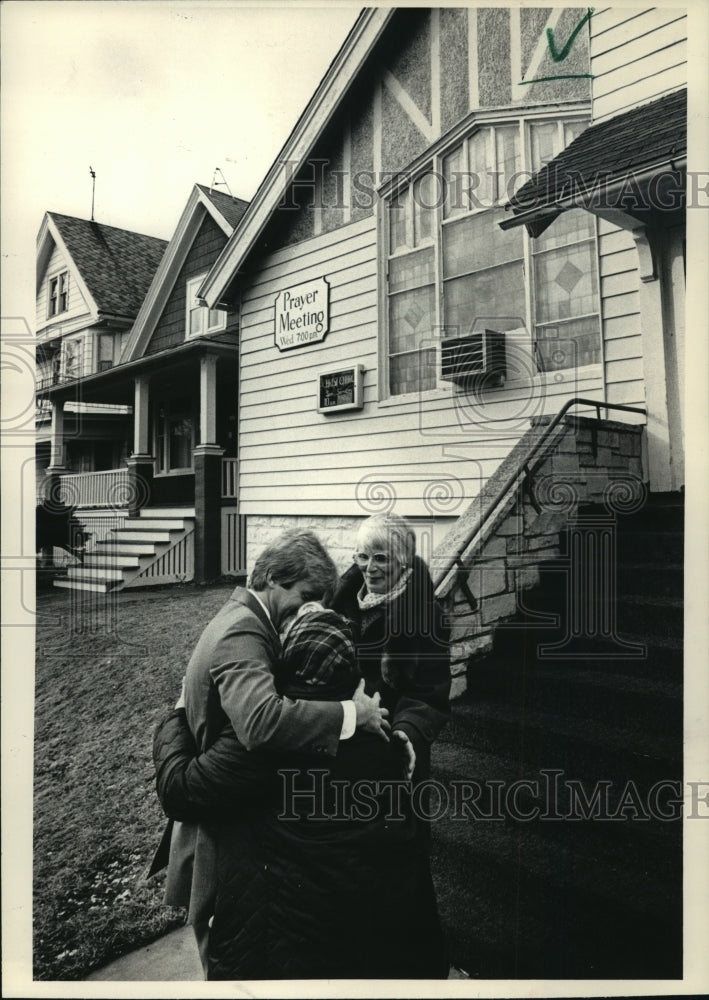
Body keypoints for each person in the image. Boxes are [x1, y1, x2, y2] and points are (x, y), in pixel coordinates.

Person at [149, 529, 390, 972]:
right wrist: (350, 714)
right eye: (307, 595)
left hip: (222, 794)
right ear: (275, 578)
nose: (310, 608)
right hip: (218, 812)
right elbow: (260, 723)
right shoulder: (243, 630)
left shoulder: (245, 618)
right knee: (220, 934)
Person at [153, 606, 435, 979]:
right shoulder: (382, 747)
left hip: (275, 958)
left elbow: (179, 789)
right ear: (350, 671)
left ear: (284, 666)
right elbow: (409, 871)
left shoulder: (256, 746)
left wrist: (178, 714)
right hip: (361, 956)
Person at [329, 511, 452, 975]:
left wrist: (404, 734)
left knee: (401, 859)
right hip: (345, 745)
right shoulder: (341, 602)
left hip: (396, 754)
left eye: (380, 557)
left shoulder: (424, 615)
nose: (368, 566)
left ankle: (419, 966)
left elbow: (429, 694)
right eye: (362, 555)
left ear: (402, 561)